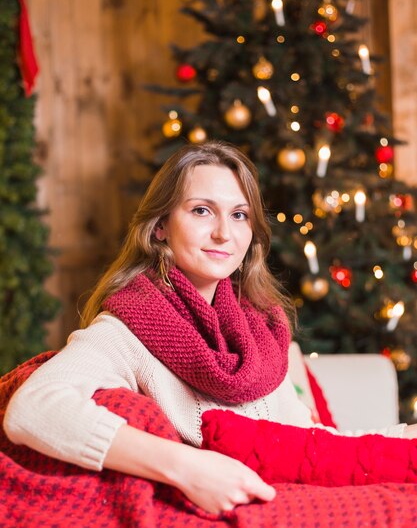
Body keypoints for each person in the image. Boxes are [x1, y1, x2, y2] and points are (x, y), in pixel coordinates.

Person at [3, 141, 417, 514]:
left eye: (239, 215)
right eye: (202, 210)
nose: (224, 232)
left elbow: (307, 443)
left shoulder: (263, 329)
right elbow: (32, 407)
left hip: (276, 502)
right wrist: (186, 466)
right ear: (161, 225)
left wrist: (404, 437)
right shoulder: (129, 326)